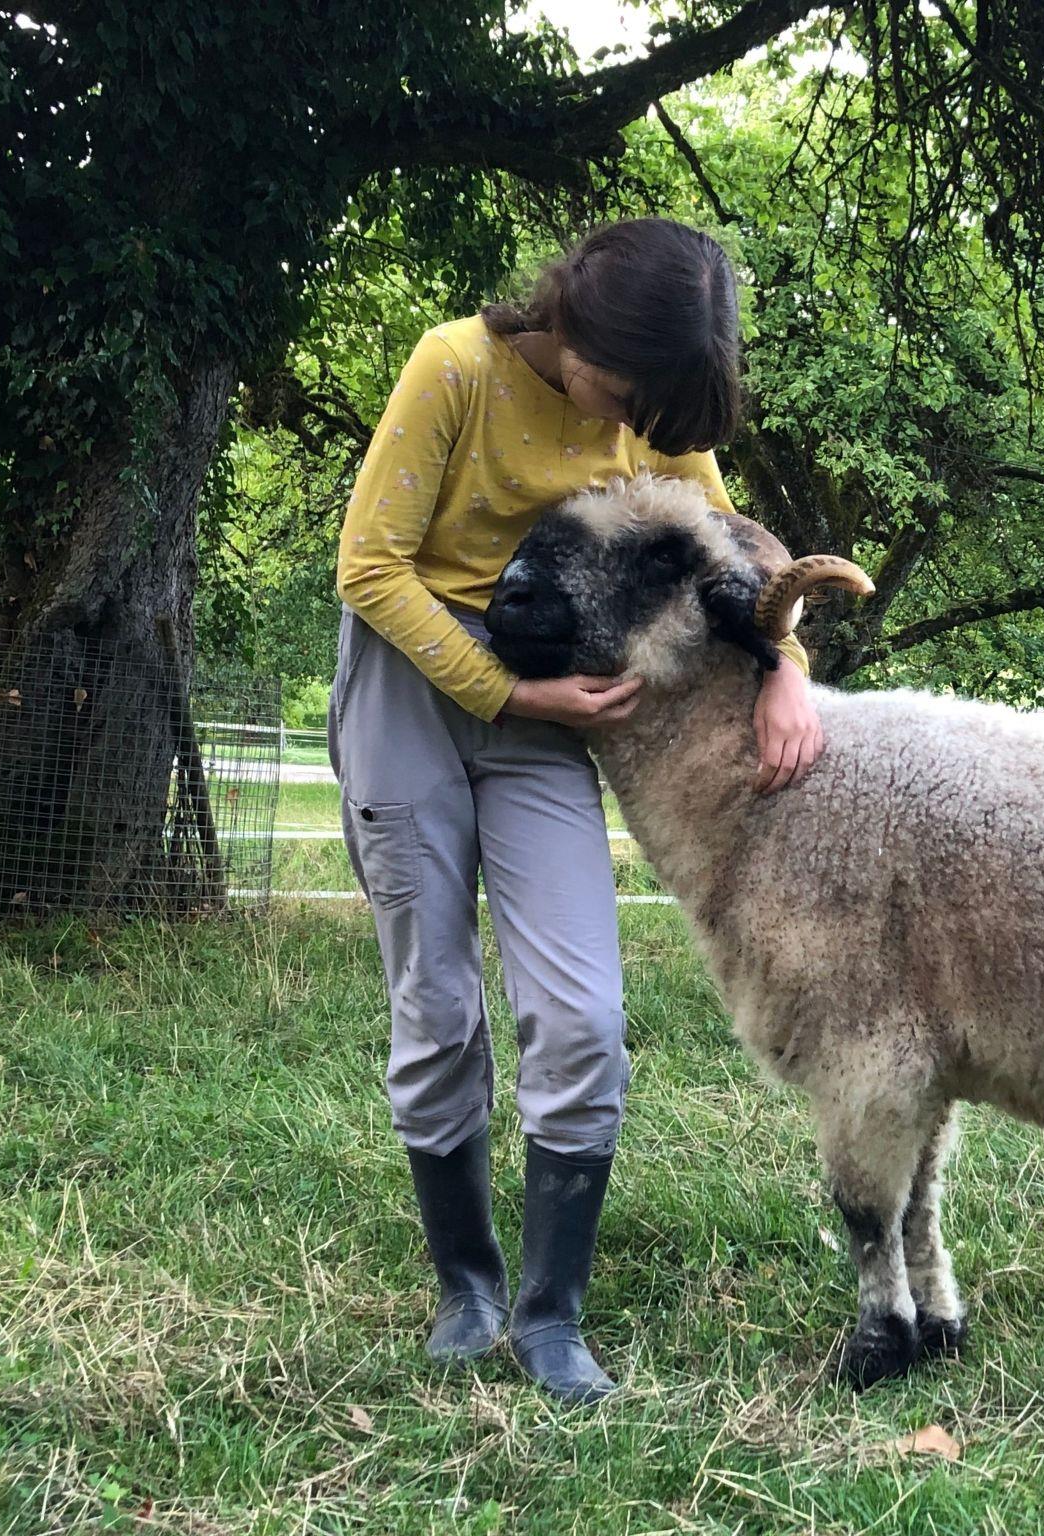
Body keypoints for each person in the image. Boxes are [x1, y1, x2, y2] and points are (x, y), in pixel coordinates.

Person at [328, 219, 821, 1405]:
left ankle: (550, 1316)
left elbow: (733, 552)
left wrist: (785, 669)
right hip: (414, 683)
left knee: (583, 1015)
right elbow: (370, 565)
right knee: (436, 1002)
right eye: (627, 392)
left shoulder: (649, 414)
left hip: (552, 703)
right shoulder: (454, 366)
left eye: (657, 409)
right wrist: (503, 689)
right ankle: (468, 1289)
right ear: (573, 324)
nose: (634, 426)